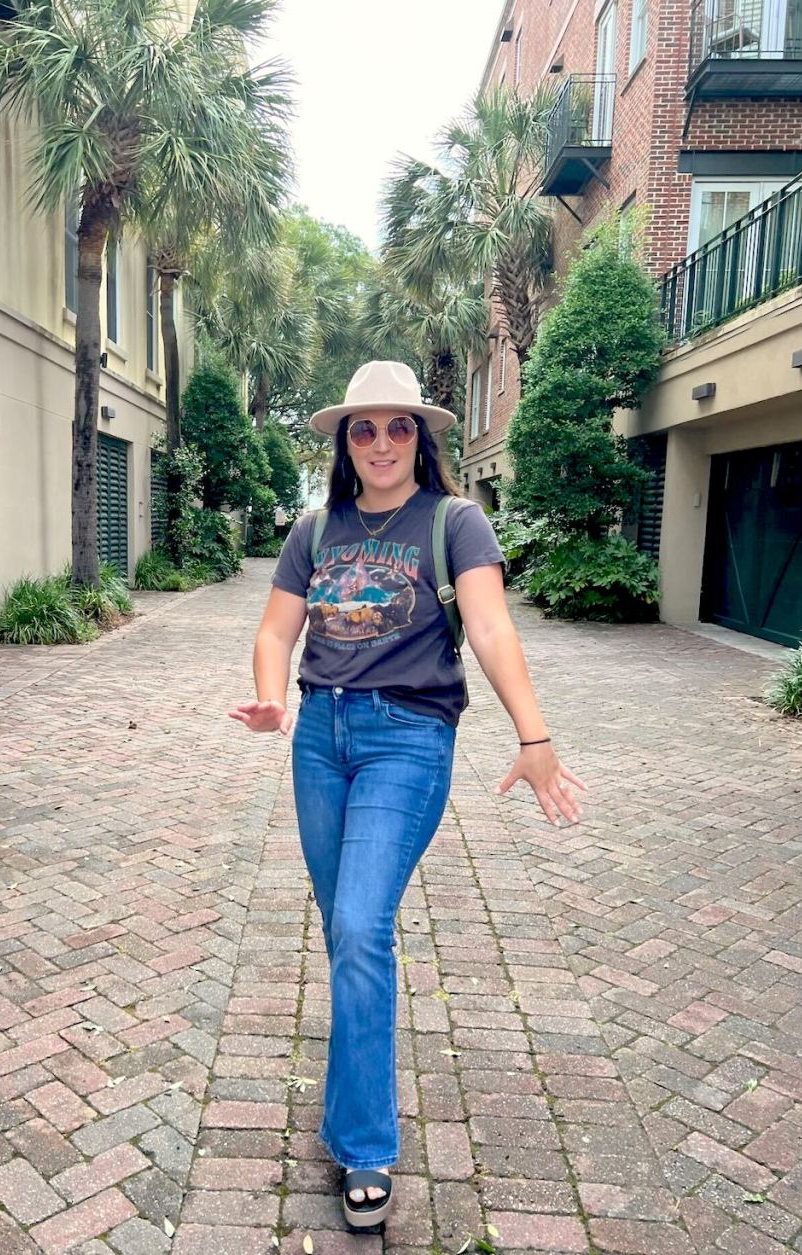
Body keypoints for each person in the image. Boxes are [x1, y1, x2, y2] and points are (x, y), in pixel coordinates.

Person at [228, 360, 587, 1233]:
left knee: (358, 924)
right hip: (320, 738)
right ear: (345, 444)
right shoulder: (315, 530)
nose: (382, 442)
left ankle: (365, 1143)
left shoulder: (455, 521)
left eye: (398, 427)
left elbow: (493, 625)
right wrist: (274, 696)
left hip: (408, 737)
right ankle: (347, 1111)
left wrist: (533, 735)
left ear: (421, 440)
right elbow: (277, 628)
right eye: (364, 428)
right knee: (346, 928)